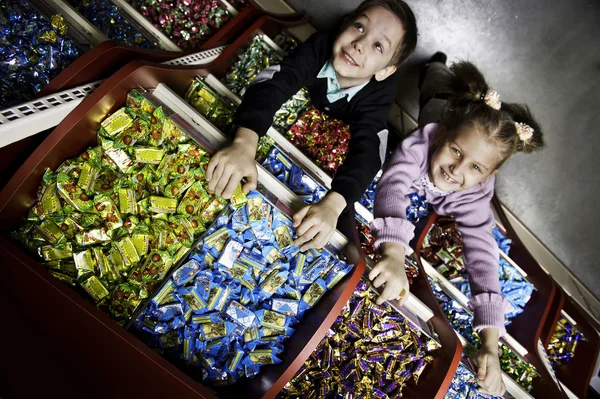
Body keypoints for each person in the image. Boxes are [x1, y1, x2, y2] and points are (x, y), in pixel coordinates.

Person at [368, 59, 545, 397]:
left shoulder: (476, 198)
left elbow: (483, 261)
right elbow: (393, 186)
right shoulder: (423, 142)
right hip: (440, 101)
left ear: (488, 176)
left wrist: (490, 344)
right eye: (455, 150)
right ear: (445, 135)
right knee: (435, 86)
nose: (455, 169)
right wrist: (393, 253)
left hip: (464, 125)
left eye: (475, 166)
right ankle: (435, 66)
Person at [205, 0, 418, 250]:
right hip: (312, 86)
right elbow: (274, 83)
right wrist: (244, 142)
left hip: (350, 114)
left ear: (385, 71)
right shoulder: (321, 45)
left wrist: (335, 204)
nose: (359, 44)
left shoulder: (380, 95)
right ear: (345, 25)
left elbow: (371, 152)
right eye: (359, 26)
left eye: (378, 45)